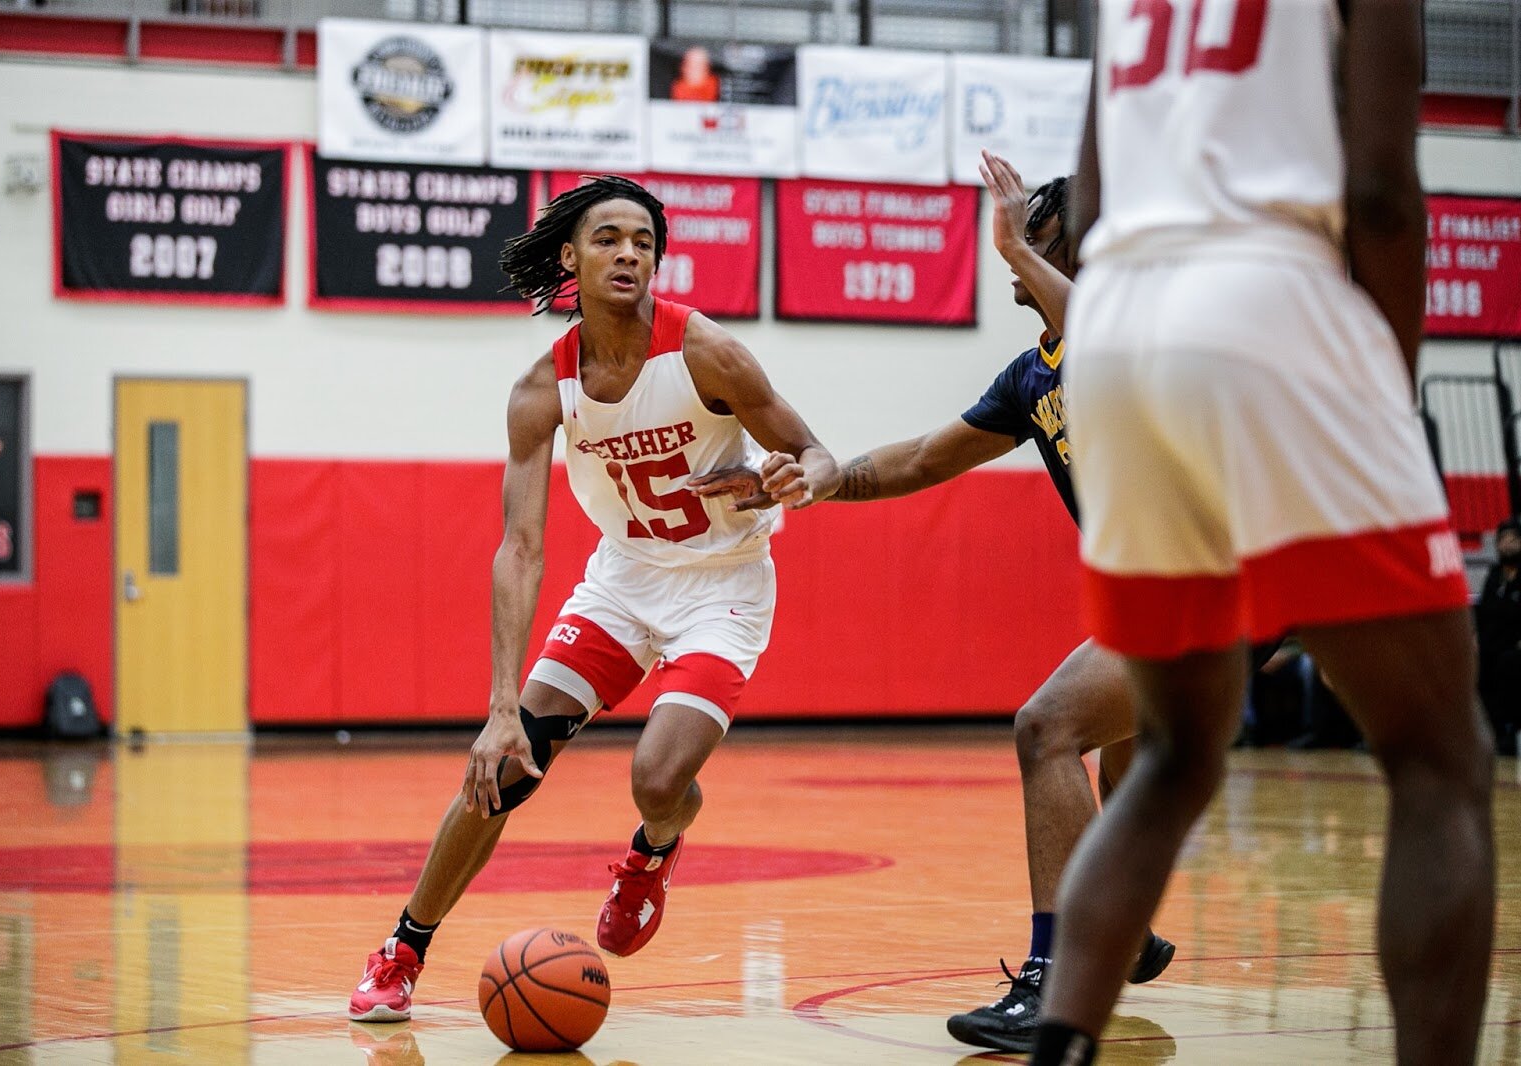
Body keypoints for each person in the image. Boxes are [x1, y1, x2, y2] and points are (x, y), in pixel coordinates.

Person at [1032, 4, 1495, 1065]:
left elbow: (1093, 204)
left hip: (1117, 335)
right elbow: (1380, 189)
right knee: (1437, 755)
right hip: (1267, 297)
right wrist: (1386, 383)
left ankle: (1058, 1049)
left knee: (1170, 758)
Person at [696, 154, 1176, 1054]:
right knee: (1121, 752)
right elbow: (917, 461)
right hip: (1148, 588)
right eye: (1020, 237)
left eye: (1038, 237)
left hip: (1217, 574)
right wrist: (817, 477)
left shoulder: (1143, 325)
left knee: (1048, 729)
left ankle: (1055, 981)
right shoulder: (1033, 377)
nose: (1015, 255)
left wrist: (1016, 245)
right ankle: (1125, 924)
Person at [348, 175, 840, 1022]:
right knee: (501, 771)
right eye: (609, 238)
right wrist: (501, 706)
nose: (629, 254)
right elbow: (522, 546)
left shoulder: (706, 352)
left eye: (644, 242)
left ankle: (655, 849)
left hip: (722, 583)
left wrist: (784, 479)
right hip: (623, 578)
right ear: (571, 256)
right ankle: (402, 949)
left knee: (658, 777)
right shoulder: (545, 386)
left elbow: (819, 455)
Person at [1477, 517, 1521, 755]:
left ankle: (1507, 730)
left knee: (1508, 663)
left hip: (1513, 647)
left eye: (1513, 540)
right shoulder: (1494, 575)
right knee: (1477, 659)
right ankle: (1485, 730)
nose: (1507, 545)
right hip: (1490, 643)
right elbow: (1482, 611)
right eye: (1502, 539)